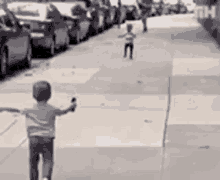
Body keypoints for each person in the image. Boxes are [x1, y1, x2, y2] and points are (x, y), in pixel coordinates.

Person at [0, 81, 77, 180]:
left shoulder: (28, 108)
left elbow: (15, 109)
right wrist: (72, 106)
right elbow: (63, 111)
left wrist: (2, 108)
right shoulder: (52, 109)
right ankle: (45, 177)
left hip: (33, 139)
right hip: (48, 138)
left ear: (33, 95)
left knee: (33, 162)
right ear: (49, 95)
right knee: (48, 160)